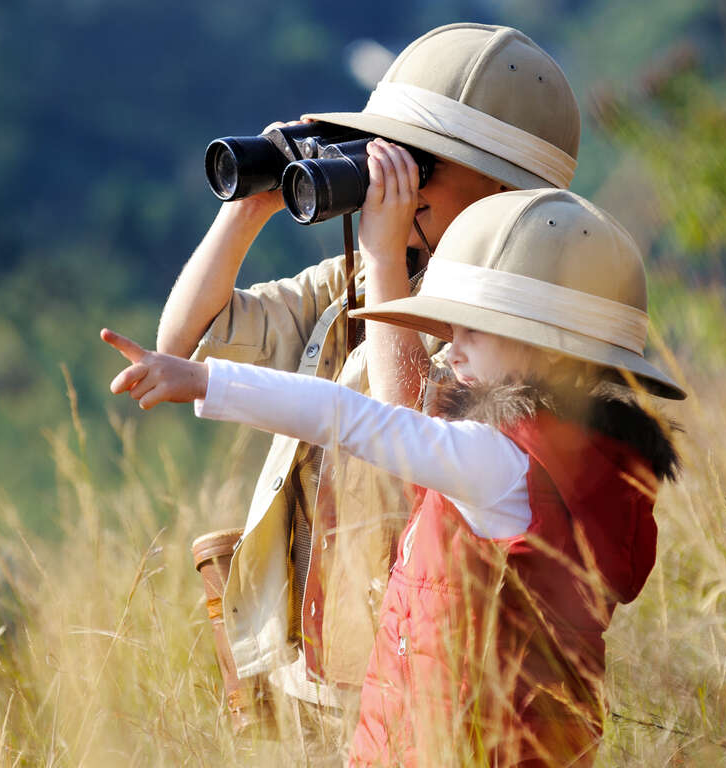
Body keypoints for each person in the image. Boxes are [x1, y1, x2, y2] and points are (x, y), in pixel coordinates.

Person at [104, 188, 685, 765]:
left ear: (553, 351)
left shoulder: (499, 462)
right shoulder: (582, 464)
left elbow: (352, 419)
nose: (453, 348)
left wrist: (207, 382)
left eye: (475, 329)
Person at [156, 22, 583, 735]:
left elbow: (414, 440)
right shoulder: (356, 282)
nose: (395, 180)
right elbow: (186, 342)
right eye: (385, 154)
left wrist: (385, 261)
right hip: (319, 666)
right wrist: (251, 204)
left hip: (420, 675)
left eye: (421, 163)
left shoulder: (517, 330)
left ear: (503, 189)